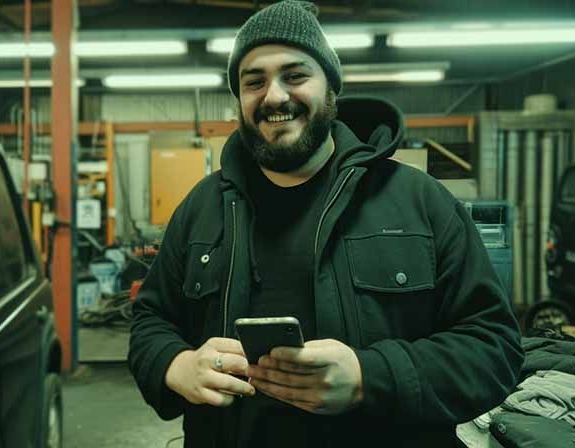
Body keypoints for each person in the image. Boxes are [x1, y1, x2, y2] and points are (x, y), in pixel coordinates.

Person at [129, 1, 524, 446]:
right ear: (239, 99)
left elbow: (495, 348)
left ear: (331, 88)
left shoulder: (419, 202)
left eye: (295, 75)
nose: (274, 96)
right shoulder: (202, 207)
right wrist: (174, 365)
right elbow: (150, 321)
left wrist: (368, 377)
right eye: (253, 81)